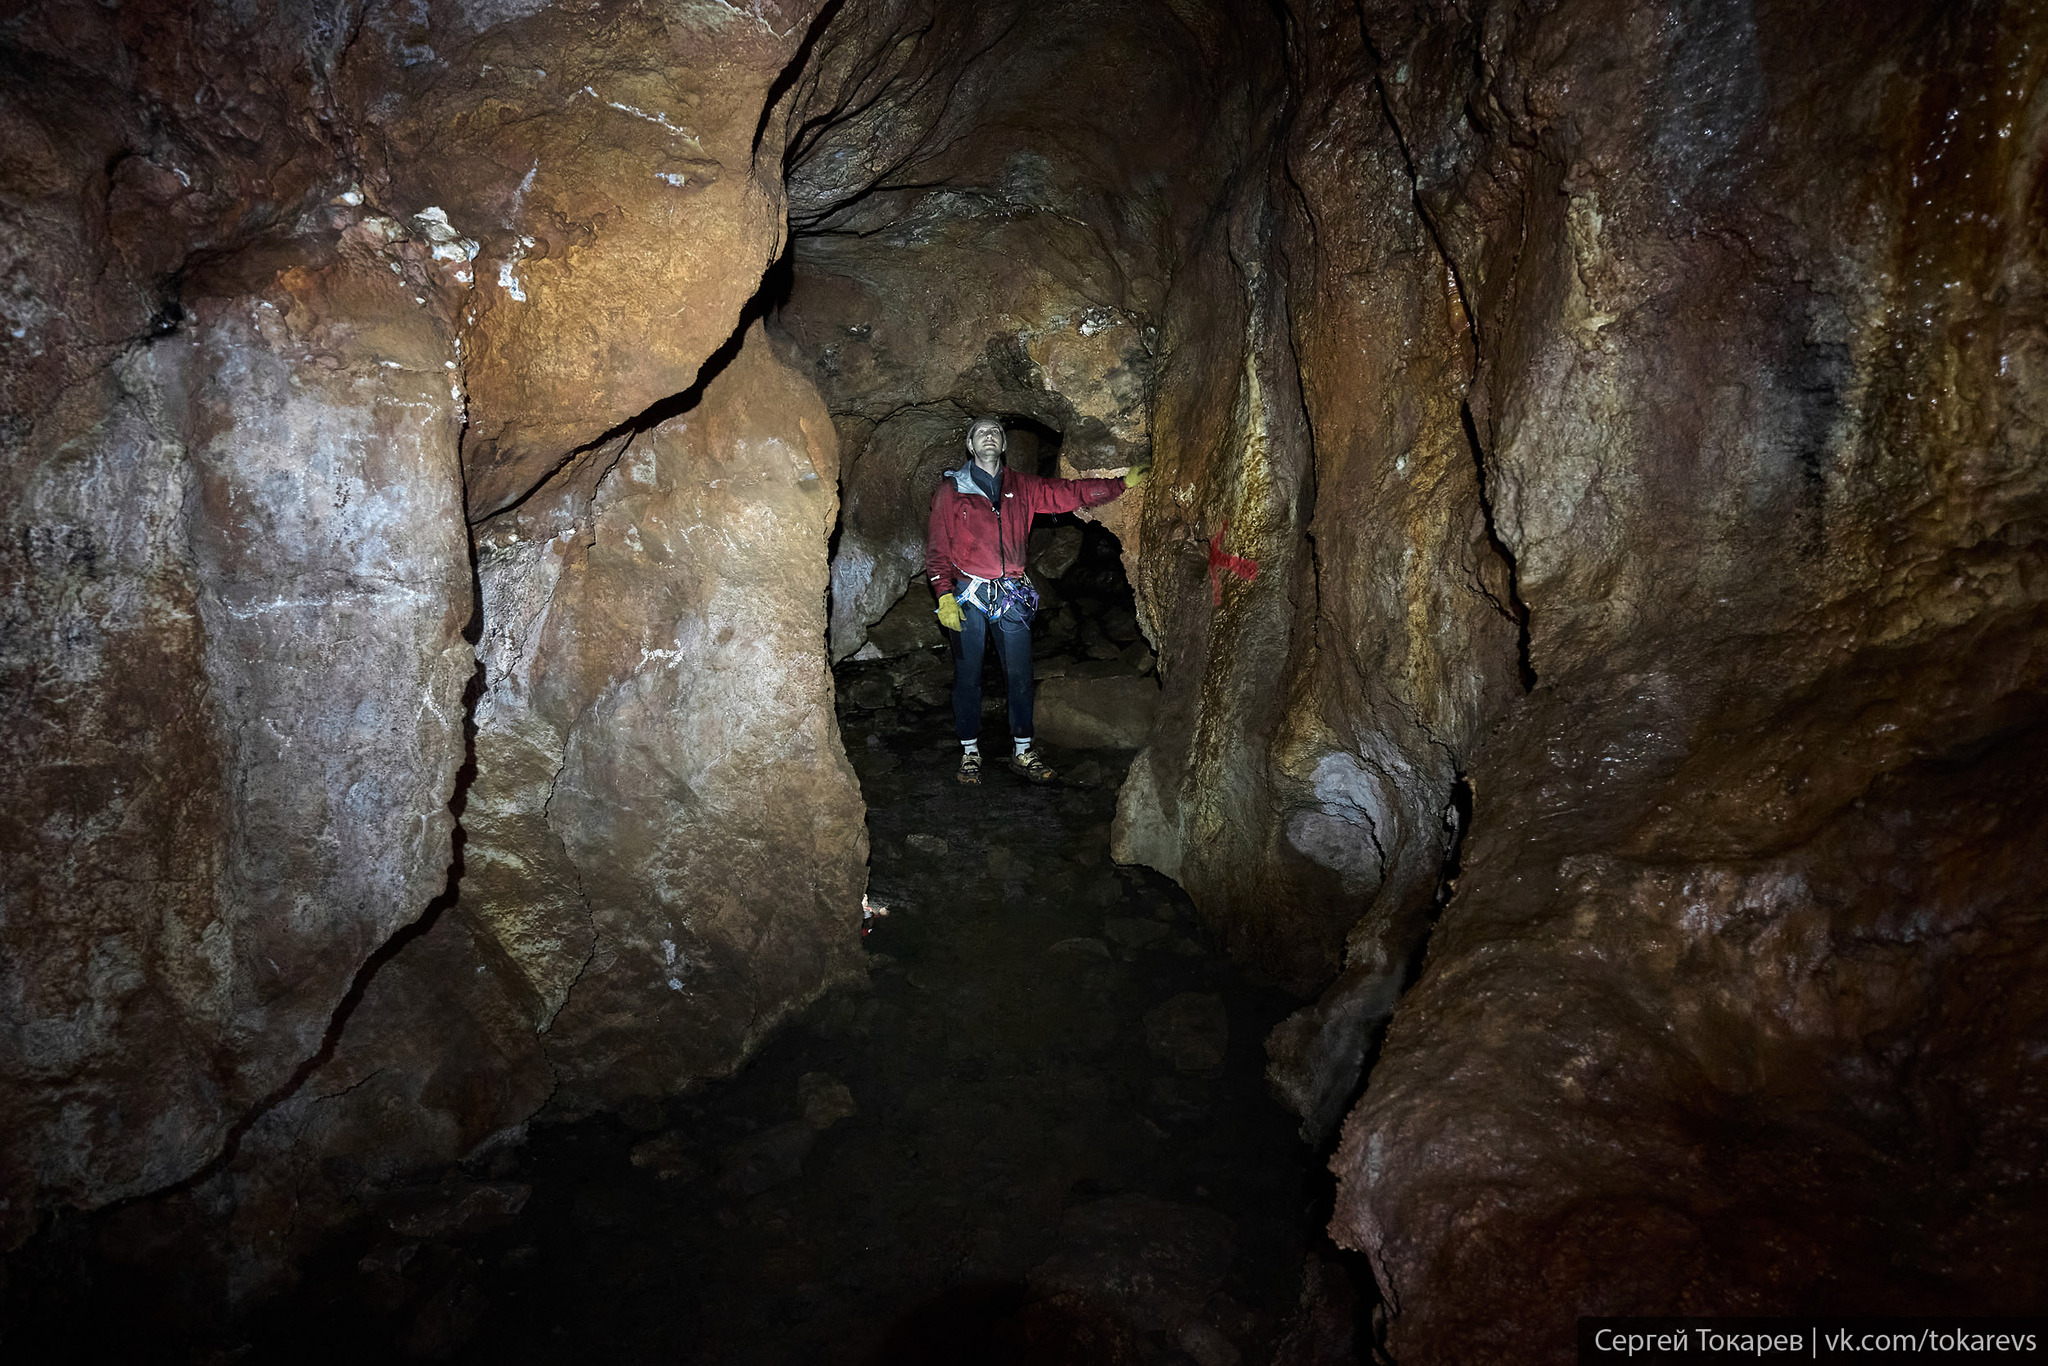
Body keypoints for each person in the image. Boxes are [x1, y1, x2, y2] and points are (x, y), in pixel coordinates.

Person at [924, 416, 1144, 785]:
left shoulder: (1021, 487)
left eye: (995, 433)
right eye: (981, 433)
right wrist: (944, 595)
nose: (989, 437)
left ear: (1003, 445)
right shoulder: (951, 491)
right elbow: (936, 550)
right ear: (970, 444)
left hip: (1010, 593)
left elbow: (1068, 492)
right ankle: (969, 753)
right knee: (968, 676)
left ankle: (1023, 750)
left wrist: (1120, 484)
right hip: (968, 594)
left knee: (1020, 675)